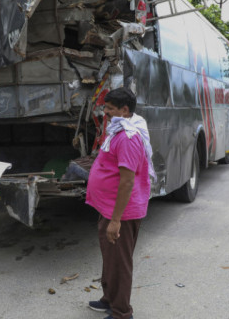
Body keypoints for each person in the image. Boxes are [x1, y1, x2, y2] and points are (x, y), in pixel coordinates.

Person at [86, 88, 153, 319]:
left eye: (110, 108)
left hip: (121, 213)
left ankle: (122, 312)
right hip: (109, 207)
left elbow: (127, 182)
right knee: (110, 258)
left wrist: (115, 220)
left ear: (125, 110)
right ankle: (109, 299)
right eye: (105, 107)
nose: (105, 112)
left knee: (120, 262)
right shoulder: (118, 129)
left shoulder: (128, 137)